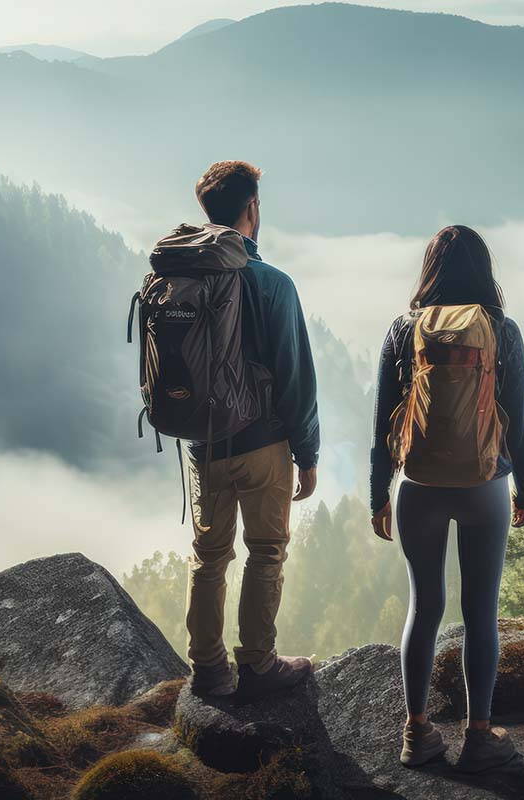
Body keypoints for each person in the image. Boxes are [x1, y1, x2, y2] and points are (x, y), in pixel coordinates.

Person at [369, 225, 524, 772]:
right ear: (484, 271)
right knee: (480, 609)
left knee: (425, 605)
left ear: (430, 270)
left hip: (419, 487)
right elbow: (521, 424)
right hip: (486, 486)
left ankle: (417, 734)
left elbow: (381, 425)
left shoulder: (403, 329)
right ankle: (480, 736)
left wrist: (378, 495)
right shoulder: (501, 331)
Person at [184, 161, 319, 700]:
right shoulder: (271, 283)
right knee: (266, 551)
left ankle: (209, 669)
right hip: (263, 442)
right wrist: (307, 453)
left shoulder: (180, 278)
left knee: (209, 555)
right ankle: (259, 664)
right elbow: (295, 376)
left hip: (204, 443)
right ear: (253, 209)